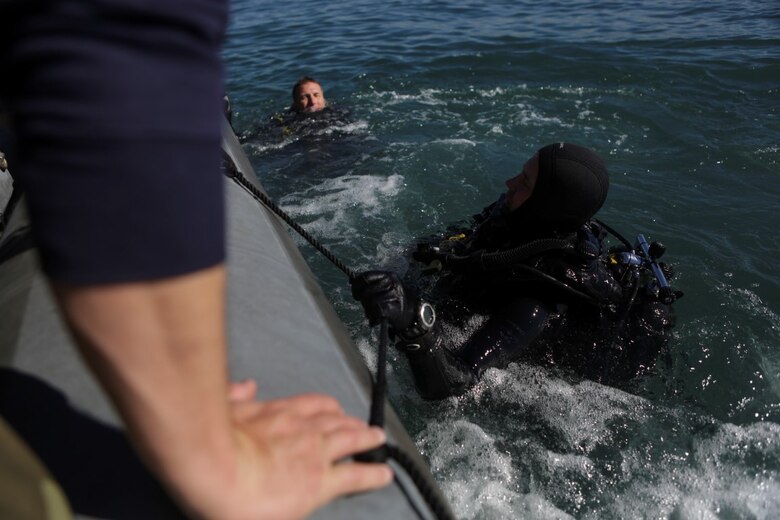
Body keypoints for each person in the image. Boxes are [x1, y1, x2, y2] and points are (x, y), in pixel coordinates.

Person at [0, 2, 391, 519]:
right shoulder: (289, 124)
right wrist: (208, 455)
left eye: (314, 94)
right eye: (304, 95)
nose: (310, 100)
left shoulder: (339, 123)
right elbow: (114, 41)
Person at [351, 142, 682, 400]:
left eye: (524, 183)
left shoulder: (539, 299)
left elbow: (454, 383)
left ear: (546, 204)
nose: (509, 183)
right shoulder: (520, 222)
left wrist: (414, 326)